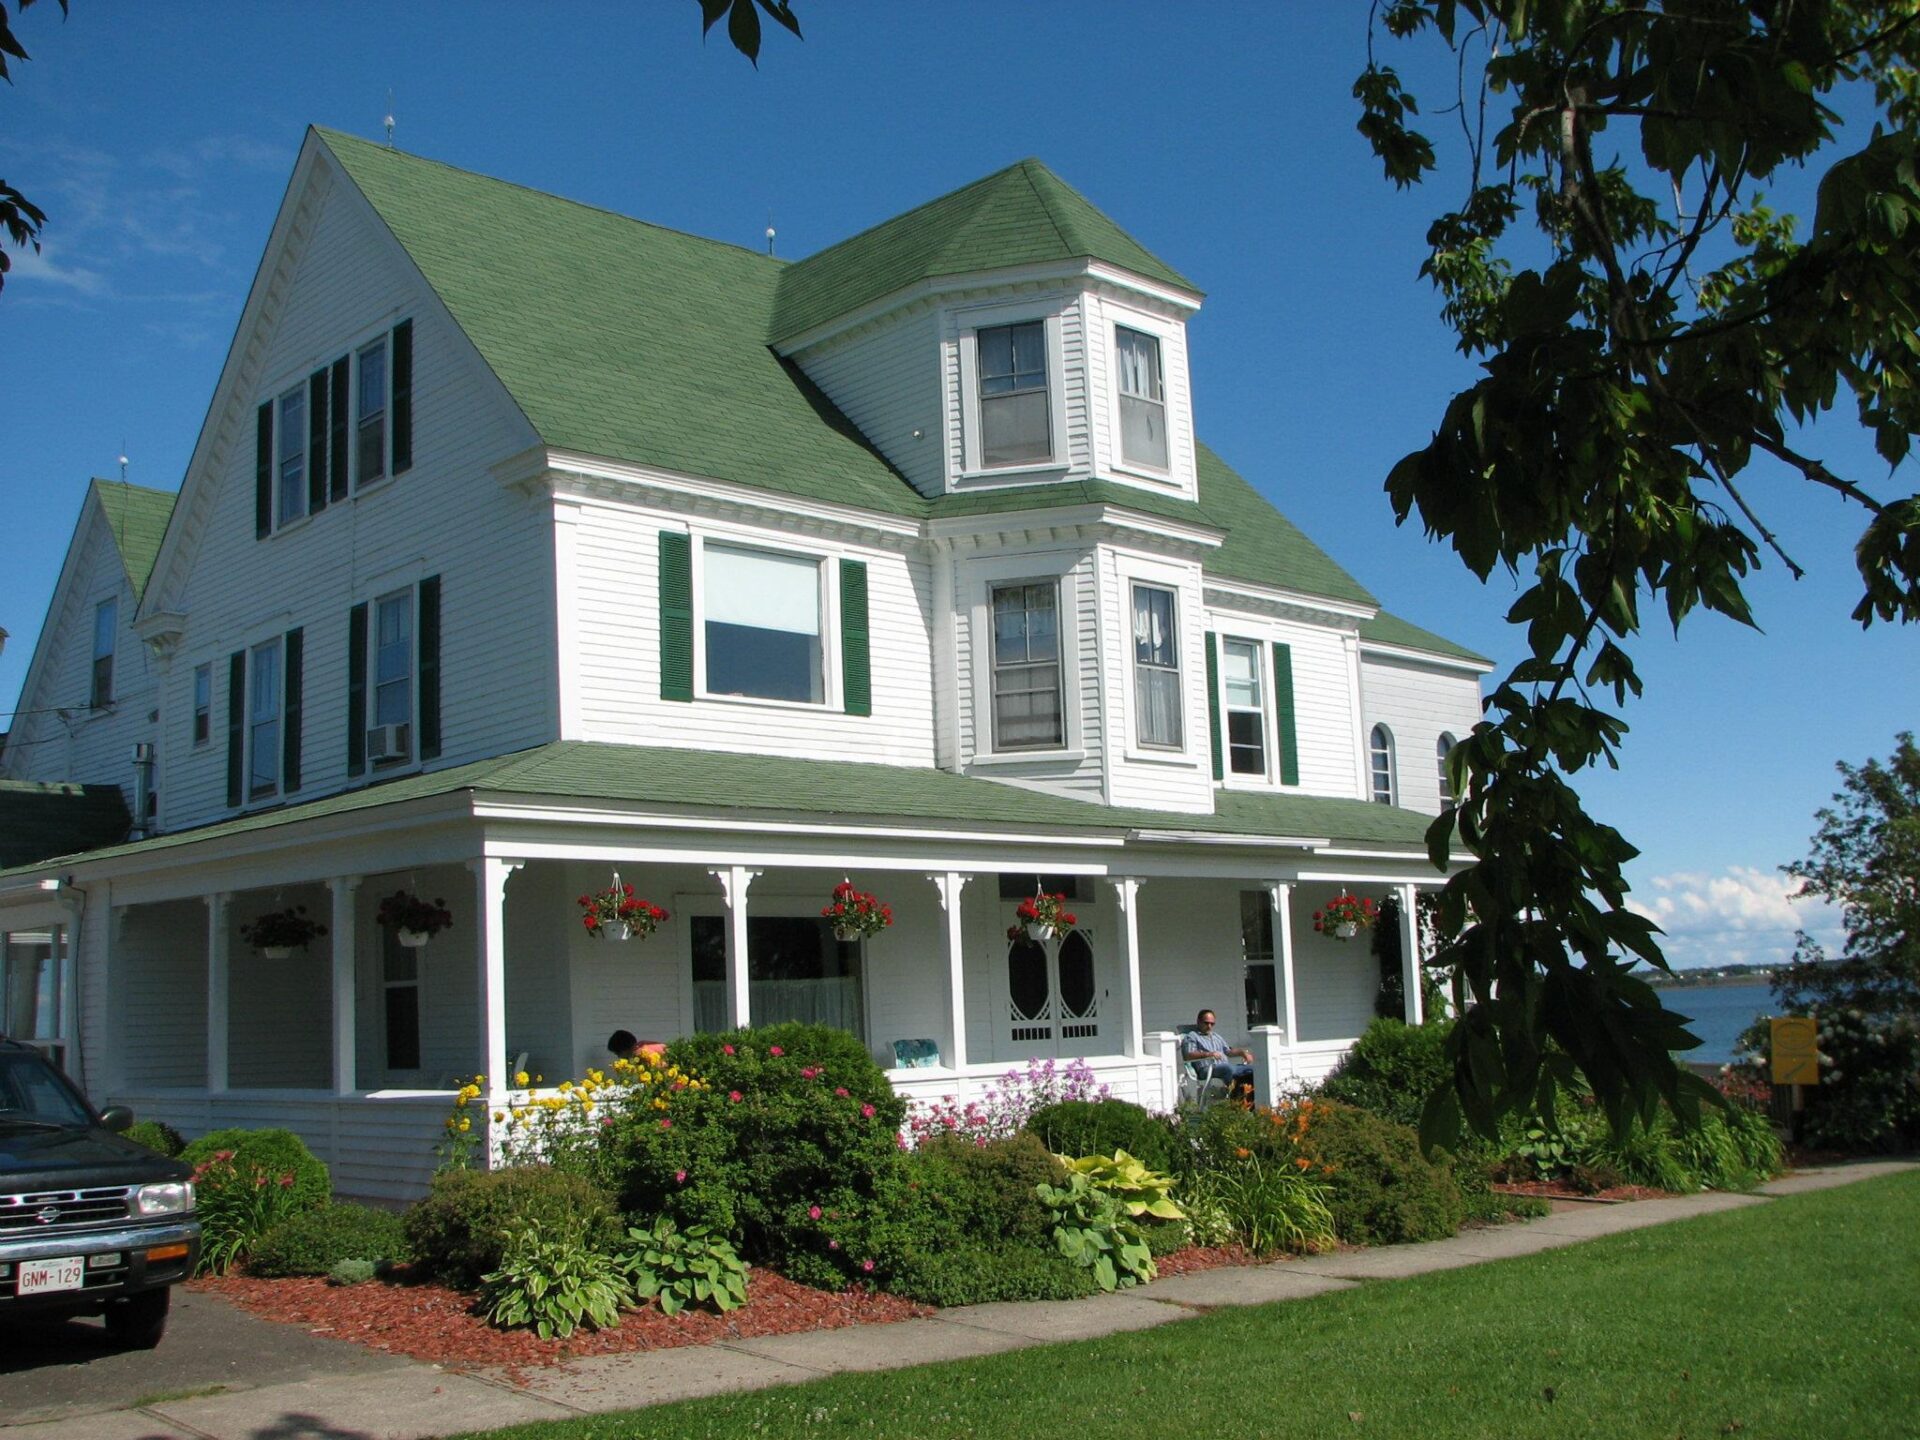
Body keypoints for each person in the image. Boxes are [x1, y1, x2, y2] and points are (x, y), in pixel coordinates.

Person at [1181, 1009, 1255, 1099]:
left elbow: (1228, 1051)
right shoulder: (1192, 1036)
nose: (1209, 1026)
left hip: (1223, 1066)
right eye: (1206, 1023)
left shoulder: (1216, 1036)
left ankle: (1249, 1099)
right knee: (1228, 1068)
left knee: (1251, 1069)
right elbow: (1188, 1055)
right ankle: (1235, 1099)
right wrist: (1209, 1054)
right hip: (1207, 1069)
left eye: (1212, 1024)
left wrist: (1243, 1053)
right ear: (1198, 1022)